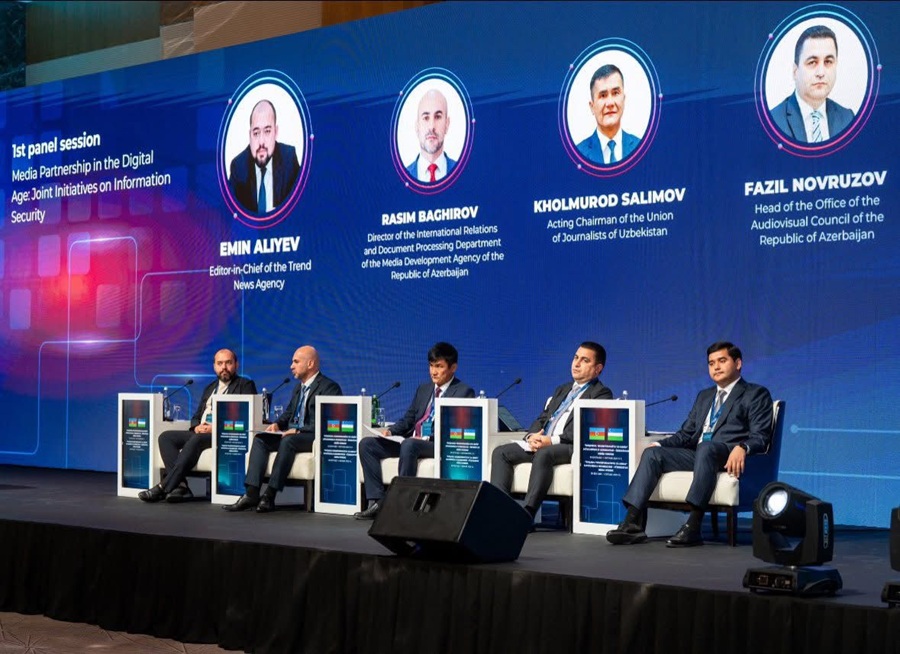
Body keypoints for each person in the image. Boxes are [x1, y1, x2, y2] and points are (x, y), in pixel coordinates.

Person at [606, 342, 773, 547]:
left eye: (722, 361)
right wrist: (658, 445)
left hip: (727, 454)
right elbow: (686, 435)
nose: (716, 367)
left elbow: (761, 436)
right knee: (652, 455)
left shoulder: (755, 393)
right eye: (711, 363)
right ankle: (632, 523)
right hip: (700, 454)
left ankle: (693, 525)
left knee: (706, 448)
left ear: (738, 363)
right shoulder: (704, 396)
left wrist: (743, 447)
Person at [491, 342, 613, 521]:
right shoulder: (562, 389)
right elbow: (542, 418)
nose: (577, 364)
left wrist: (551, 440)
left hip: (569, 446)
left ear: (598, 369)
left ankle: (526, 515)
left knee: (544, 453)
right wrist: (532, 436)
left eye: (585, 360)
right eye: (576, 358)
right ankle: (498, 512)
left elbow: (587, 430)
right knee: (500, 452)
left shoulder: (601, 394)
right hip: (543, 443)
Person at [354, 342, 474, 519]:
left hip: (436, 444)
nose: (433, 372)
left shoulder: (464, 392)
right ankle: (376, 502)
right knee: (367, 444)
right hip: (411, 442)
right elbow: (409, 418)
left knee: (409, 444)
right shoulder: (424, 389)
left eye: (439, 366)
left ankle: (402, 502)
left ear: (453, 367)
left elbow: (456, 430)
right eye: (431, 366)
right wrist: (391, 431)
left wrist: (423, 438)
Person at [224, 346, 341, 512]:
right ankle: (251, 493)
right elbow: (289, 413)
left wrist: (299, 431)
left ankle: (269, 495)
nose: (291, 366)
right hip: (292, 435)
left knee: (288, 440)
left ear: (310, 364)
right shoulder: (298, 388)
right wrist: (277, 425)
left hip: (313, 436)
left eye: (296, 362)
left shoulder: (329, 387)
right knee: (260, 439)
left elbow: (328, 421)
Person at [138, 349, 257, 503]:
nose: (224, 367)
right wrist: (196, 427)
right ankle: (181, 486)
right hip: (202, 431)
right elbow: (196, 416)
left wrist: (216, 427)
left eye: (228, 363)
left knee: (196, 439)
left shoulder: (245, 385)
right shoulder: (210, 388)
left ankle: (163, 487)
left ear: (236, 365)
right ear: (214, 366)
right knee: (166, 437)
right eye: (220, 363)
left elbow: (245, 417)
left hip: (224, 434)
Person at [770, 25, 855, 143]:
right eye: (812, 62)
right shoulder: (773, 121)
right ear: (795, 71)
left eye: (828, 62)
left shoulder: (848, 118)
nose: (821, 73)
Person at [228, 99, 301, 213]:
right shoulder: (238, 167)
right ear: (250, 135)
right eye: (256, 133)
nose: (261, 142)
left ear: (276, 132)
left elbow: (301, 207)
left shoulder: (288, 159)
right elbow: (230, 214)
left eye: (267, 131)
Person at [576, 64, 640, 165]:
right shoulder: (577, 155)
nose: (610, 103)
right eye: (603, 95)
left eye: (615, 93)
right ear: (592, 107)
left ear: (624, 100)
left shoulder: (641, 147)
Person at [405, 89, 457, 183]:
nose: (431, 126)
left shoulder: (464, 173)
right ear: (417, 126)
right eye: (426, 118)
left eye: (438, 117)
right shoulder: (401, 178)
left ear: (447, 124)